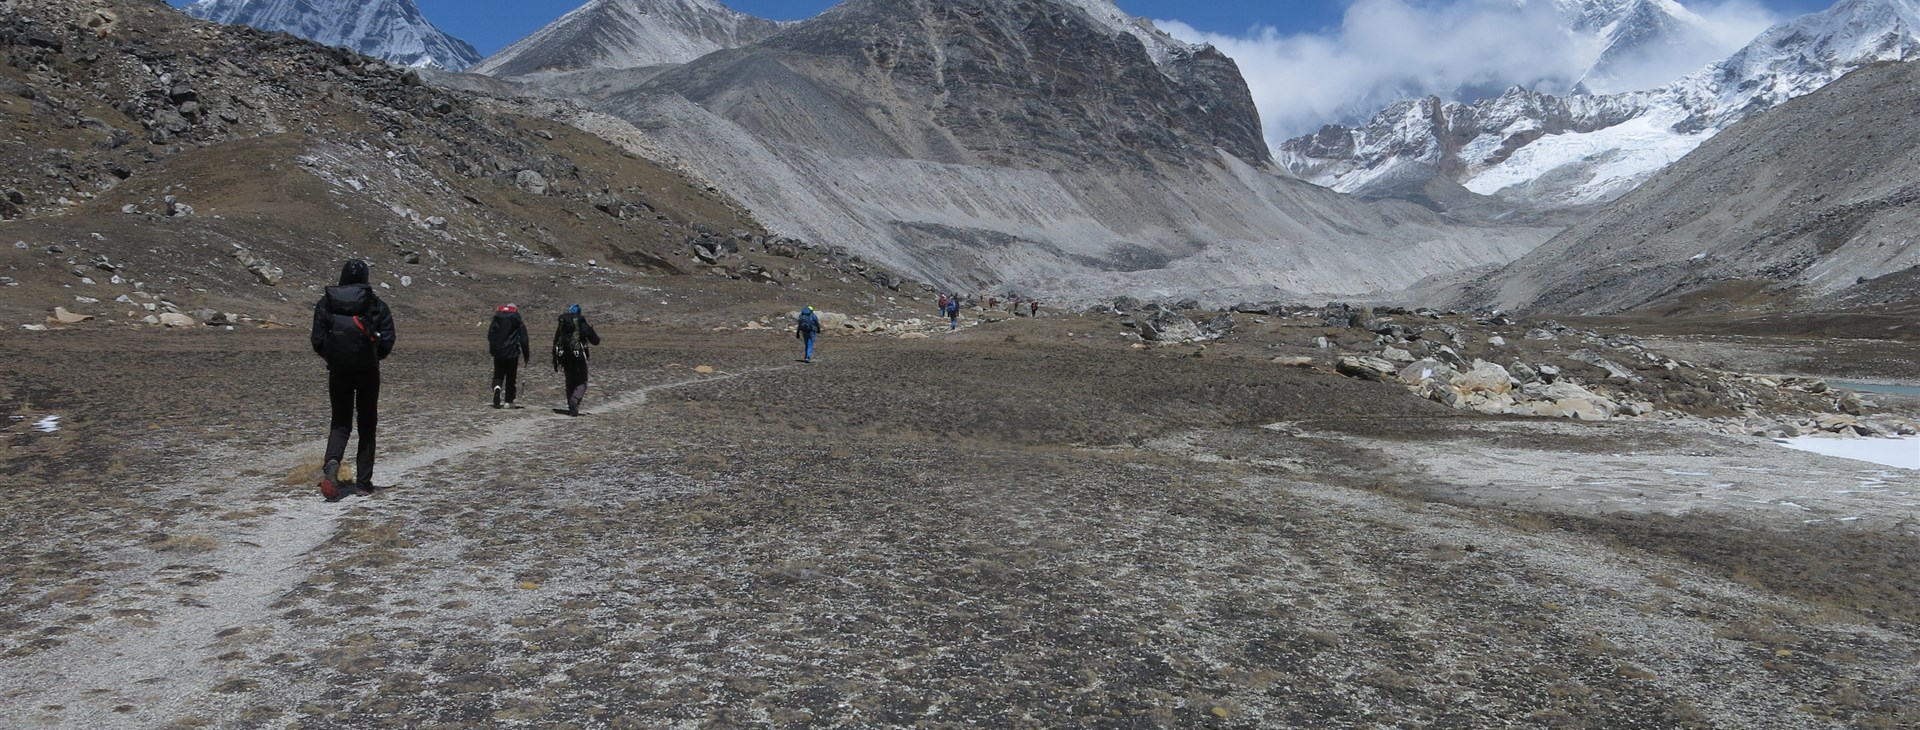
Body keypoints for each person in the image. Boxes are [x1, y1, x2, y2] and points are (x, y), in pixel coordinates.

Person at [310, 259, 395, 501]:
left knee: (340, 422)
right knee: (367, 424)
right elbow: (388, 339)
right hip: (368, 371)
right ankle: (364, 484)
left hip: (338, 370)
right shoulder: (376, 304)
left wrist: (333, 357)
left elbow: (317, 339)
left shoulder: (326, 303)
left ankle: (332, 462)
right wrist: (373, 356)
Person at [552, 304, 601, 416]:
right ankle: (575, 399)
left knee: (570, 382)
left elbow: (556, 341)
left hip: (564, 357)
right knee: (582, 381)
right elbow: (596, 341)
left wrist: (555, 359)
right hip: (579, 358)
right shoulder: (582, 324)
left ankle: (571, 407)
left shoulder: (562, 325)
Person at [487, 304, 531, 409]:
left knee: (498, 373)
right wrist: (526, 355)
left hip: (498, 352)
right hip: (512, 352)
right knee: (511, 377)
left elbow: (490, 335)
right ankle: (508, 401)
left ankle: (497, 387)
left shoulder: (497, 319)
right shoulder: (517, 320)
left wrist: (493, 348)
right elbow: (524, 339)